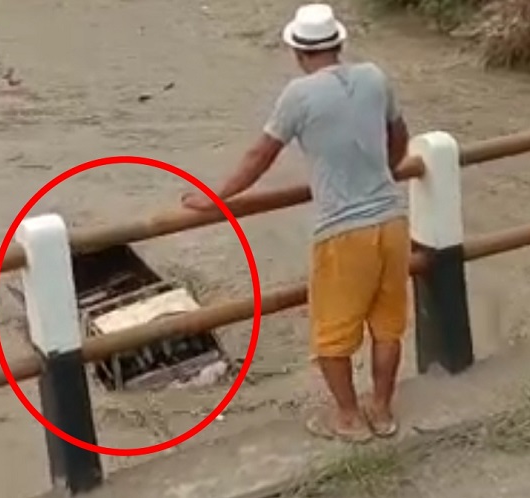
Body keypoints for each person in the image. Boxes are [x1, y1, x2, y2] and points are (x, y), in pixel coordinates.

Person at [181, 2, 411, 442]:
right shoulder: (375, 77)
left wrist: (214, 198)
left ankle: (347, 418)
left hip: (343, 232)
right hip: (391, 218)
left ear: (298, 53)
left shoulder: (298, 96)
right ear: (339, 43)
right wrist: (386, 171)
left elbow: (260, 156)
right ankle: (381, 412)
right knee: (387, 327)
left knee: (331, 333)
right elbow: (399, 137)